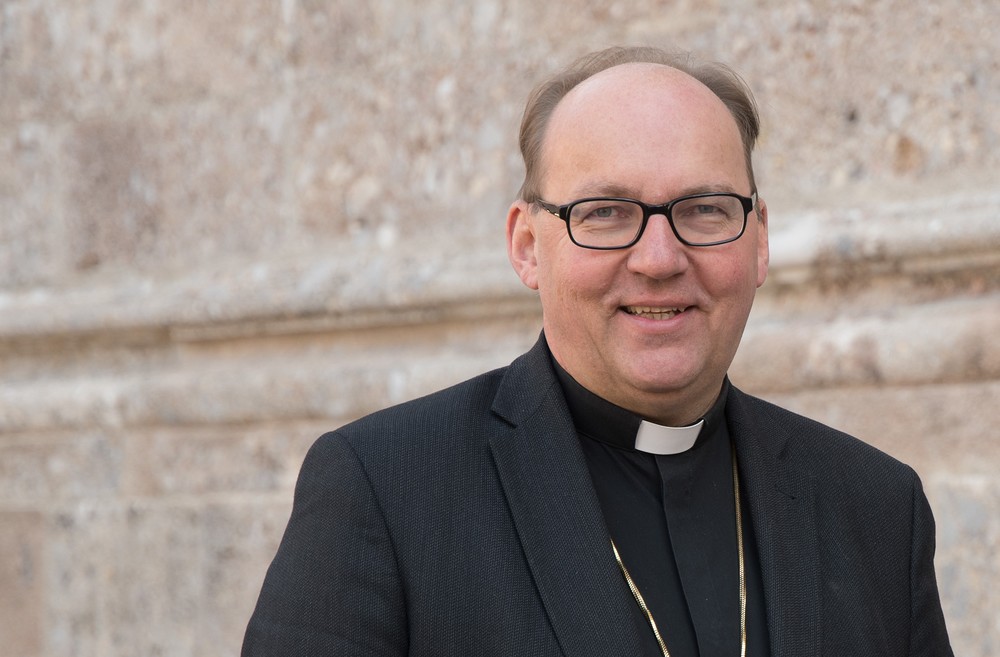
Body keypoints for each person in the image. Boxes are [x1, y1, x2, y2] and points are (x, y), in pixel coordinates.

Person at [242, 46, 953, 656]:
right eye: (605, 213)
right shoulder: (385, 491)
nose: (659, 257)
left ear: (758, 239)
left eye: (705, 209)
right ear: (527, 245)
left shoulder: (876, 508)